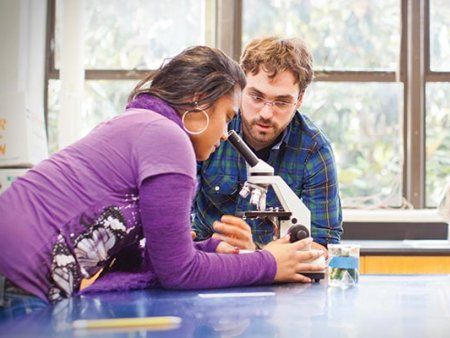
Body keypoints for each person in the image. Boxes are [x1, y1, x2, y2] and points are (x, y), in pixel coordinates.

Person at [0, 46, 323, 314]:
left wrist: (210, 249)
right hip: (17, 274)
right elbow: (178, 271)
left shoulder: (140, 123)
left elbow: (158, 252)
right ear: (198, 103)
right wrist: (267, 263)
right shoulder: (169, 139)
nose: (226, 133)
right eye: (226, 117)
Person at [193, 37, 343, 253]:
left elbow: (324, 243)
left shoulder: (314, 151)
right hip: (207, 261)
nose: (265, 113)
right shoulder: (210, 130)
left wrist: (256, 255)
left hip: (277, 273)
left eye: (281, 102)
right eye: (256, 97)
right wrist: (209, 246)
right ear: (240, 87)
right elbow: (175, 220)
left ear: (299, 99)